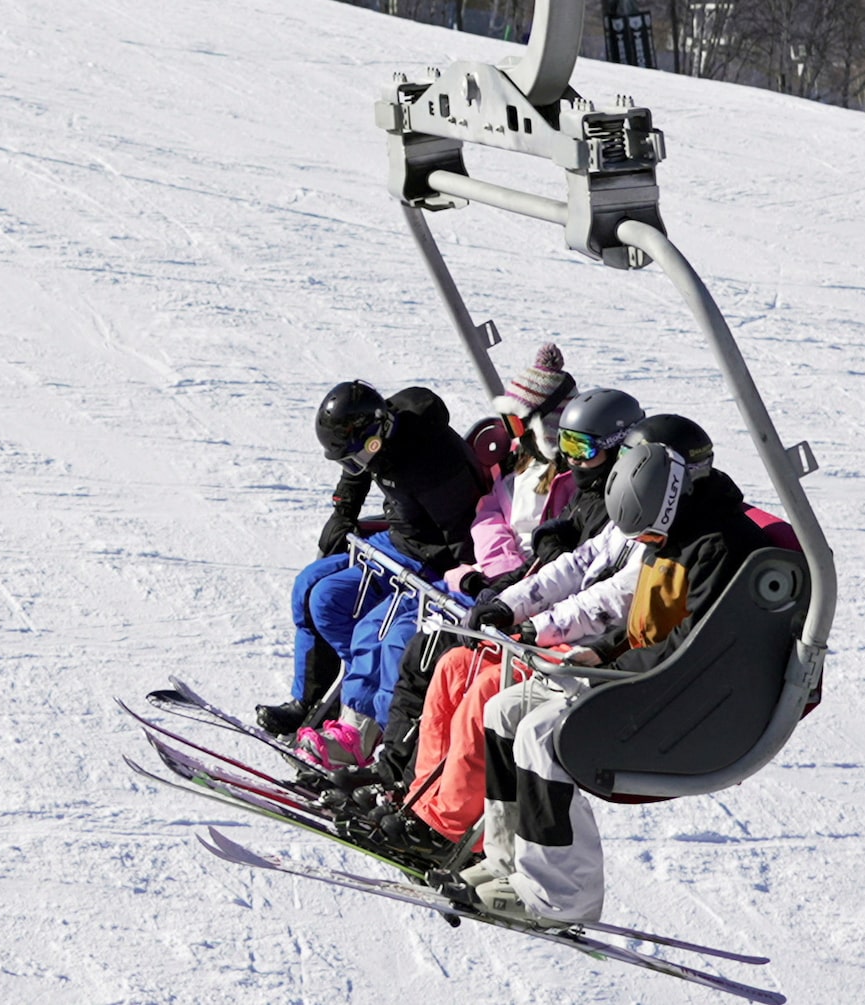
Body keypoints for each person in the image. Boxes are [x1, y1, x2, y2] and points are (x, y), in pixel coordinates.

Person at [467, 415, 773, 925]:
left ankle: (563, 898)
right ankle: (507, 863)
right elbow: (642, 625)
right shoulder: (671, 530)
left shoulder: (715, 545)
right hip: (638, 676)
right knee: (505, 711)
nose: (644, 540)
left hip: (675, 696)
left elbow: (692, 648)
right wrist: (603, 653)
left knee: (542, 735)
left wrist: (612, 663)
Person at [380, 388, 649, 848]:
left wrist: (532, 625)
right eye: (566, 449)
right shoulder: (617, 514)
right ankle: (421, 801)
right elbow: (574, 566)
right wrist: (509, 604)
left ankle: (448, 826)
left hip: (587, 653)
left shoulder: (653, 530)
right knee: (453, 667)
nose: (573, 462)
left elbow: (607, 601)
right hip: (551, 631)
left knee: (487, 691)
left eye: (582, 451)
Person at [322, 346, 583, 761]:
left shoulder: (568, 484)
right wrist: (489, 568)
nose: (511, 430)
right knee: (372, 628)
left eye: (518, 421)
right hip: (475, 577)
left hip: (512, 594)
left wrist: (506, 577)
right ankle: (352, 728)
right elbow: (488, 515)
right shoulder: (520, 467)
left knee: (403, 644)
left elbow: (554, 548)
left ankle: (387, 748)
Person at [255, 381, 483, 738]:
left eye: (360, 455)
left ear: (381, 431)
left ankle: (372, 717)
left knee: (372, 632)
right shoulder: (374, 436)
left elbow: (462, 533)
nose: (358, 464)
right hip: (397, 541)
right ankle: (314, 699)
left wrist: (464, 581)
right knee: (313, 589)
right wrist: (343, 512)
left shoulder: (432, 461)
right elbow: (355, 469)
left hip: (431, 559)